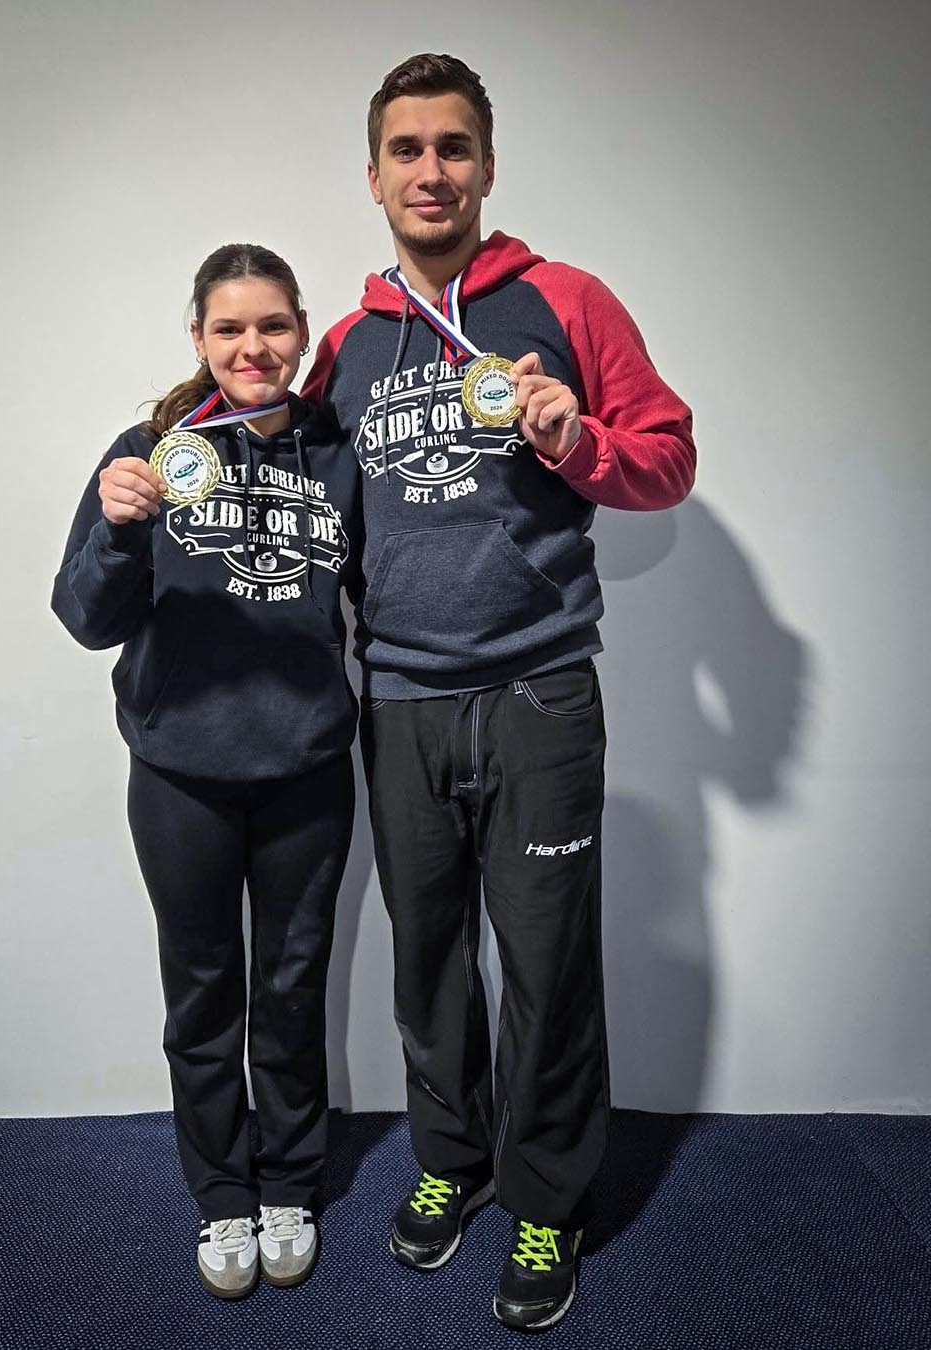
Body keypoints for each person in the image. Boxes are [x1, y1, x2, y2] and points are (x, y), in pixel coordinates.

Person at [303, 54, 696, 1332]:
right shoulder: (345, 347)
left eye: (454, 147)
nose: (432, 171)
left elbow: (668, 457)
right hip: (400, 701)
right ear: (374, 177)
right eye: (407, 150)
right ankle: (452, 1159)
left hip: (538, 693)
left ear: (486, 164)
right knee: (428, 964)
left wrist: (582, 442)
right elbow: (307, 520)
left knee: (545, 965)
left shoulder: (564, 299)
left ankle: (545, 1197)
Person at [51, 244, 360, 1299]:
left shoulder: (338, 454)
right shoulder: (149, 450)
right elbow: (84, 617)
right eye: (229, 328)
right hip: (181, 774)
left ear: (301, 332)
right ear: (198, 337)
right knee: (201, 993)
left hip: (306, 772)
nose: (252, 347)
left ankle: (289, 1185)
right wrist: (118, 529)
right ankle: (223, 1194)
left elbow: (387, 590)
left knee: (292, 988)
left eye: (272, 325)